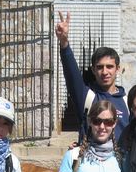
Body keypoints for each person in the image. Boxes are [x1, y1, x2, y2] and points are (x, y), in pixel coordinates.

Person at [55, 11, 129, 140]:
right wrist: (64, 43)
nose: (105, 72)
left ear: (117, 69)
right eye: (100, 67)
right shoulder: (87, 96)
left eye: (109, 67)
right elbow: (71, 74)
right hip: (91, 158)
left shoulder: (128, 101)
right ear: (93, 70)